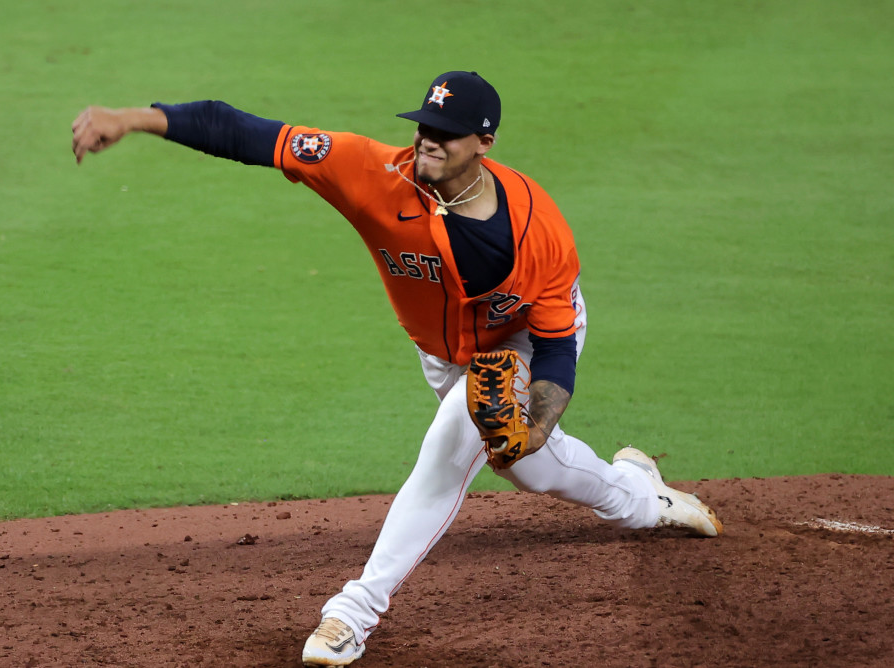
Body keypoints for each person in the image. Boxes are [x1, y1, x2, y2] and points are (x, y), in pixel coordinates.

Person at [71, 71, 723, 667]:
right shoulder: (370, 171)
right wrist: (132, 117)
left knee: (450, 452)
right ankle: (641, 496)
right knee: (527, 469)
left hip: (519, 344)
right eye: (423, 127)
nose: (427, 141)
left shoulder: (537, 230)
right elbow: (241, 130)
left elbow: (554, 351)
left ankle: (350, 615)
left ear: (484, 141)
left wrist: (539, 420)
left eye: (444, 133)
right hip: (444, 354)